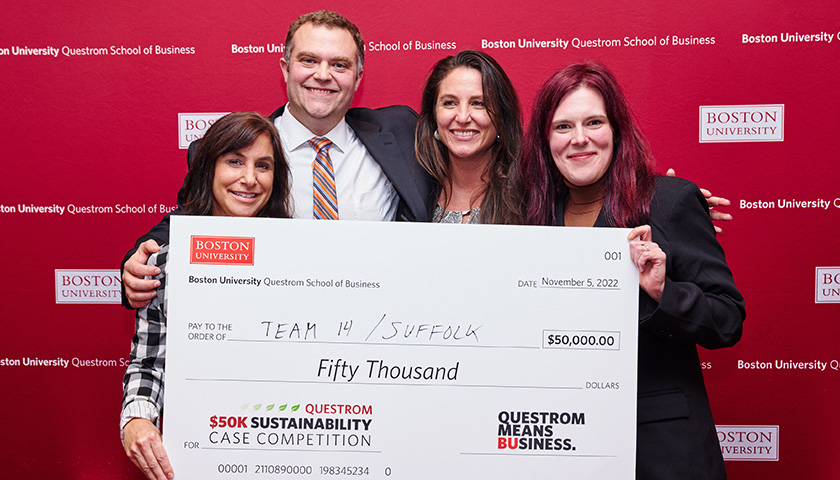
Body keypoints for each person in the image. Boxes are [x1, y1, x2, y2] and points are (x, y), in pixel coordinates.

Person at [520, 62, 745, 479]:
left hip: (660, 450)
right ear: (545, 140)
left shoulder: (668, 202)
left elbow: (728, 320)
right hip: (563, 444)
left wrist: (664, 292)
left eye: (594, 122)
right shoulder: (531, 221)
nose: (580, 139)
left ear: (617, 130)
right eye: (563, 127)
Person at [120, 10, 431, 308]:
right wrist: (137, 263)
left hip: (370, 330)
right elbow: (190, 218)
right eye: (308, 60)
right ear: (285, 68)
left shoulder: (401, 132)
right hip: (271, 333)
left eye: (339, 65)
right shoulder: (234, 155)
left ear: (358, 76)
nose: (322, 75)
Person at [120, 112, 292, 480]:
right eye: (234, 161)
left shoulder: (296, 259)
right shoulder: (168, 258)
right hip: (202, 451)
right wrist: (135, 419)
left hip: (285, 447)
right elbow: (148, 361)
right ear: (208, 168)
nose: (249, 178)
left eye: (263, 166)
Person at [415, 50, 524, 224]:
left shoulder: (531, 199)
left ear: (501, 117)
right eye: (450, 103)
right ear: (433, 115)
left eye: (478, 103)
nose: (463, 117)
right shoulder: (411, 197)